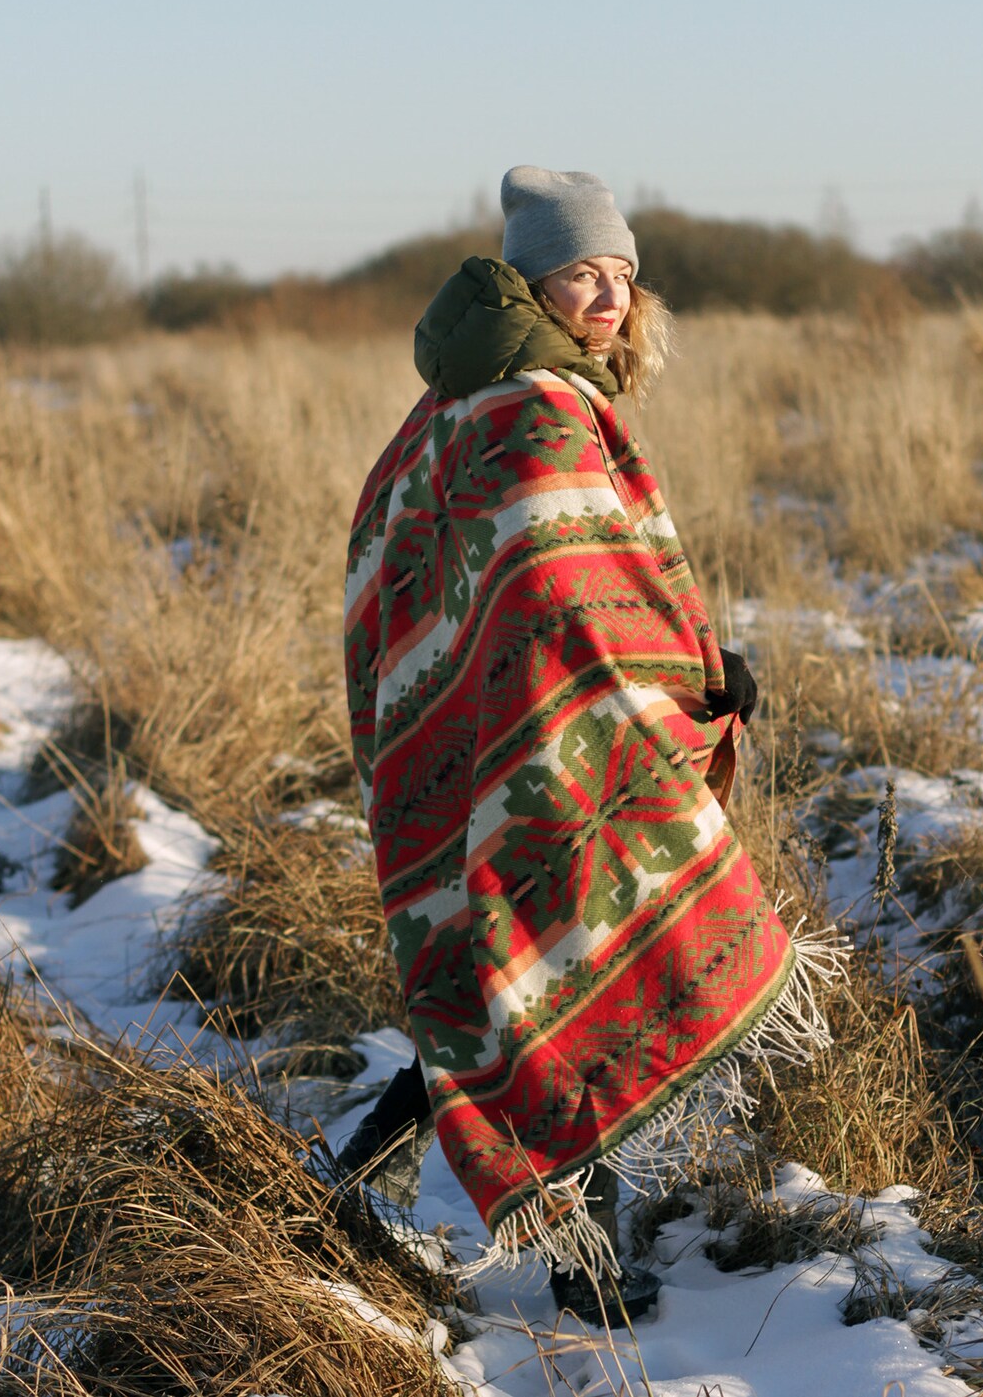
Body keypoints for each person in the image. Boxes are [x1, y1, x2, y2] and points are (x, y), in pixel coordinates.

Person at [339, 166, 842, 1325]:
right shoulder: (530, 402)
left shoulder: (467, 395)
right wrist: (685, 680)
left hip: (484, 731)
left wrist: (684, 664)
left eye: (622, 272)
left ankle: (350, 1179)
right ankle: (589, 1276)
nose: (608, 294)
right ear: (532, 278)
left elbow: (498, 575)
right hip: (549, 736)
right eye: (582, 272)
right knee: (569, 964)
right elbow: (560, 592)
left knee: (505, 974)